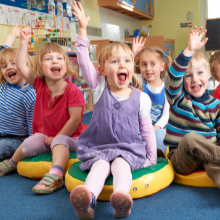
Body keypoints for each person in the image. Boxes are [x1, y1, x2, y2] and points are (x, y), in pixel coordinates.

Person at [69, 1, 157, 220]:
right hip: (100, 147)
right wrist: (82, 30)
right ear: (101, 70)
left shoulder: (141, 98)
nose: (122, 65)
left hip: (127, 149)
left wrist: (151, 158)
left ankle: (121, 201)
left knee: (121, 166)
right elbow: (83, 61)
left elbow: (147, 131)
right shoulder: (99, 87)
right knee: (99, 167)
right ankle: (87, 202)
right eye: (115, 62)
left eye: (127, 61)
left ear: (132, 67)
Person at [0, 27, 85, 195]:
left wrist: (56, 137)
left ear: (65, 64)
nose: (55, 61)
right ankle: (12, 162)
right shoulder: (39, 85)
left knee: (60, 141)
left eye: (59, 58)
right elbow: (21, 65)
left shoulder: (73, 91)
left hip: (70, 138)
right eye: (49, 59)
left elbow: (75, 120)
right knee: (31, 141)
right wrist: (23, 42)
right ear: (40, 66)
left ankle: (56, 174)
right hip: (46, 138)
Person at [164, 26, 220, 189]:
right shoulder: (178, 98)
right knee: (190, 139)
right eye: (188, 76)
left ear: (209, 74)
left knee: (213, 163)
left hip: (209, 156)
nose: (195, 79)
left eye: (200, 73)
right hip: (183, 158)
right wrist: (189, 50)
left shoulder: (216, 105)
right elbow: (172, 76)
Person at [0, 25, 36, 161]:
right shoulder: (3, 85)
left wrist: (32, 147)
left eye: (14, 63)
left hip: (16, 140)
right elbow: (1, 55)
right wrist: (11, 36)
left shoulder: (29, 94)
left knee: (2, 147)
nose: (9, 67)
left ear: (23, 65)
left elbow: (33, 126)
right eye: (4, 66)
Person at [132, 37, 173, 155]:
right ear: (139, 66)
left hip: (157, 128)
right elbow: (125, 68)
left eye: (153, 64)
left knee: (162, 135)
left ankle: (157, 153)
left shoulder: (167, 87)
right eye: (144, 64)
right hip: (139, 127)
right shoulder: (138, 81)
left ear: (161, 66)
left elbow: (166, 115)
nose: (148, 68)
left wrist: (153, 129)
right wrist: (133, 54)